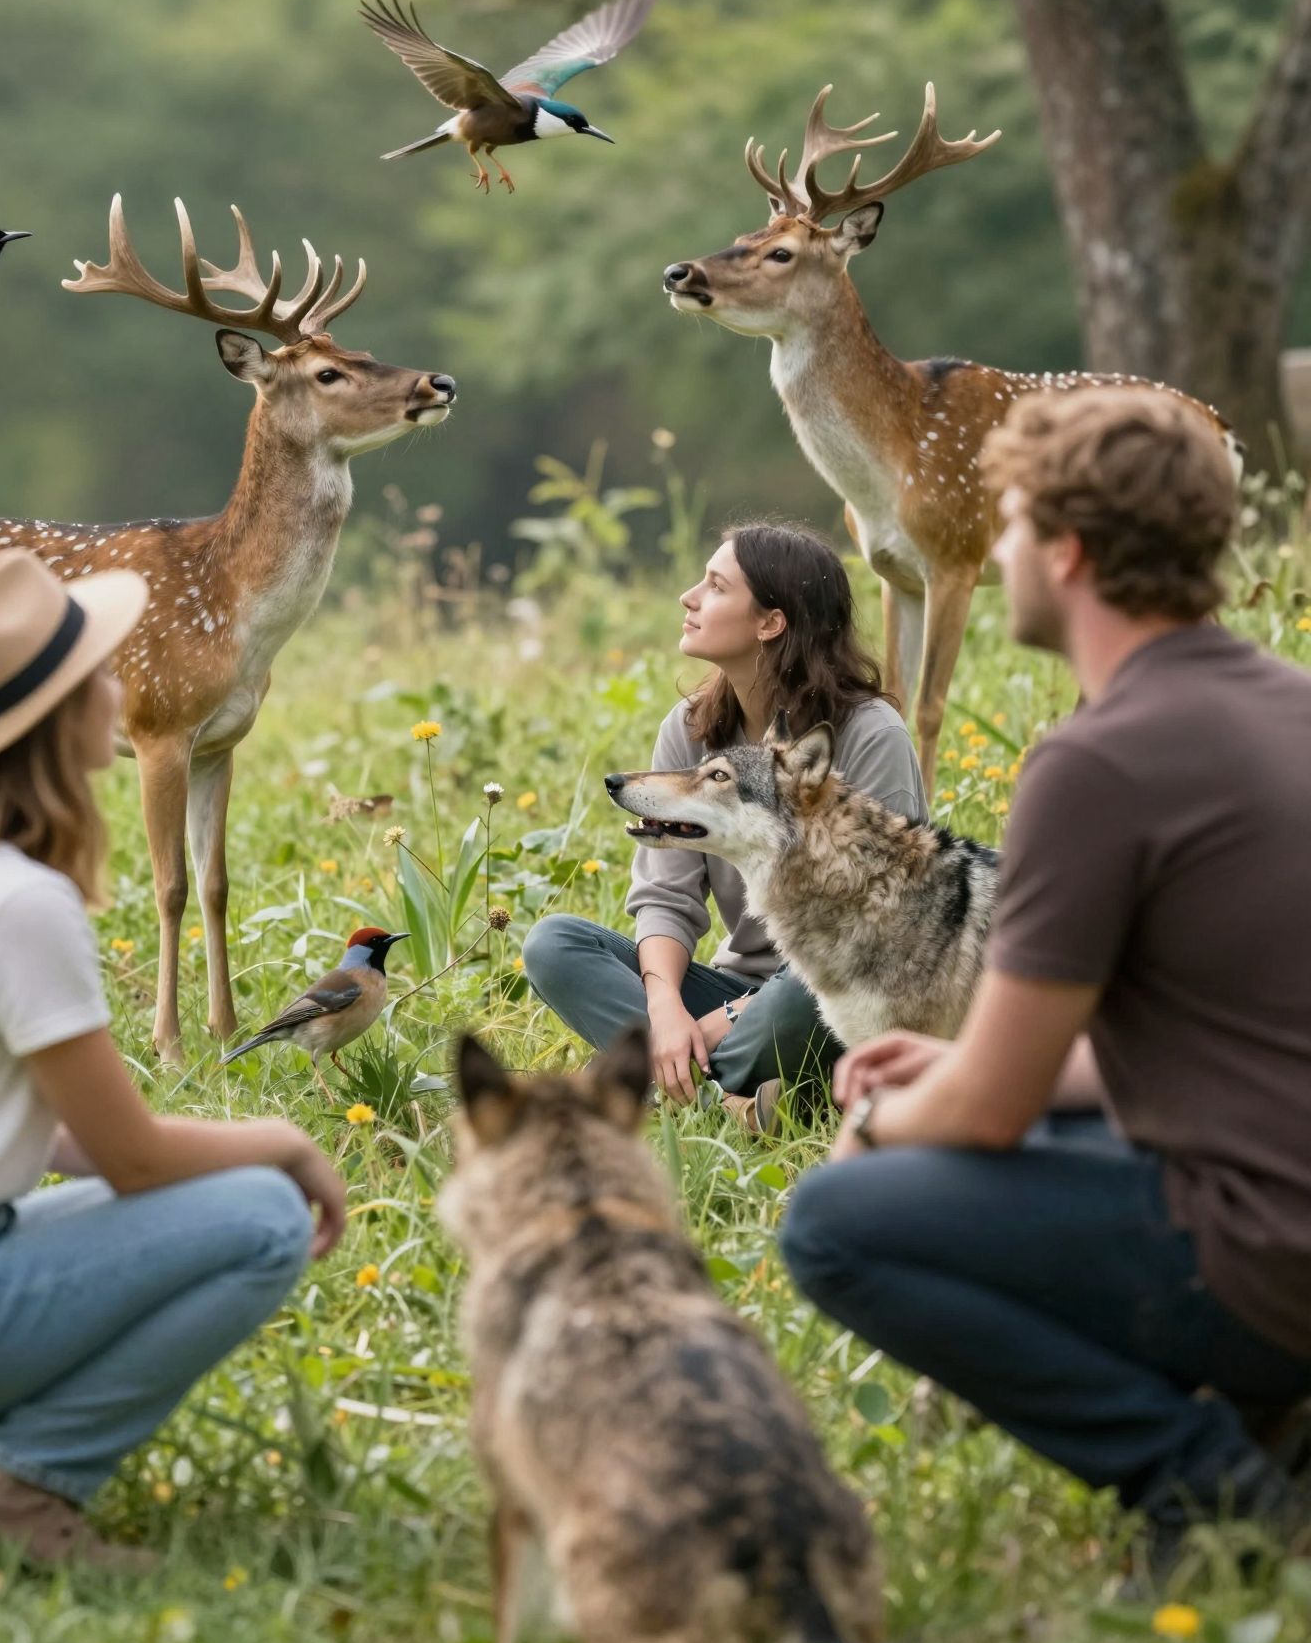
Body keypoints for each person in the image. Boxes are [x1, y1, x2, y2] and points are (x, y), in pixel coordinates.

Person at [781, 387, 1311, 1576]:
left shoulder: (1097, 761)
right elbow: (1219, 1043)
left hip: (1268, 1249)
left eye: (1012, 526)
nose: (998, 550)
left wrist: (879, 1113)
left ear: (1065, 554)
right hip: (1275, 1192)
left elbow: (985, 1113)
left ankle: (1206, 1480)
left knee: (838, 1222)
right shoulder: (1291, 708)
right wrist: (961, 1062)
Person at [0, 548, 346, 1572]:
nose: (122, 679)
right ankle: (16, 1490)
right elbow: (130, 1155)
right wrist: (282, 1141)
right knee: (263, 1216)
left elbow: (37, 1134)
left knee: (213, 1195)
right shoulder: (13, 896)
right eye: (97, 668)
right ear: (48, 713)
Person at [525, 521, 925, 1130]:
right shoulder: (689, 729)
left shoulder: (872, 736)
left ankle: (673, 1090)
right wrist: (664, 1012)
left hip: (833, 994)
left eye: (714, 586)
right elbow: (666, 894)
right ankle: (730, 1104)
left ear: (771, 621)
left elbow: (886, 932)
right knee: (554, 945)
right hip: (736, 985)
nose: (688, 597)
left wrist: (725, 1022)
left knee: (803, 993)